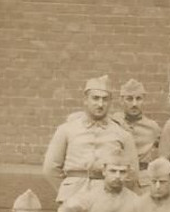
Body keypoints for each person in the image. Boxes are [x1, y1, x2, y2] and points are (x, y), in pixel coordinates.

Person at [43, 75, 140, 205]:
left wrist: (117, 194)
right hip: (73, 195)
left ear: (110, 102)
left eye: (105, 99)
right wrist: (67, 189)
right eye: (95, 98)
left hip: (109, 198)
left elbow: (132, 173)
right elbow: (50, 168)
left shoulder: (122, 134)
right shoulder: (66, 130)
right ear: (85, 100)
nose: (100, 104)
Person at [114, 79, 160, 170]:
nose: (134, 104)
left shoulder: (153, 127)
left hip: (143, 177)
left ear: (144, 100)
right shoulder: (114, 123)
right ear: (121, 100)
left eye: (138, 99)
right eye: (129, 99)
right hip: (118, 175)